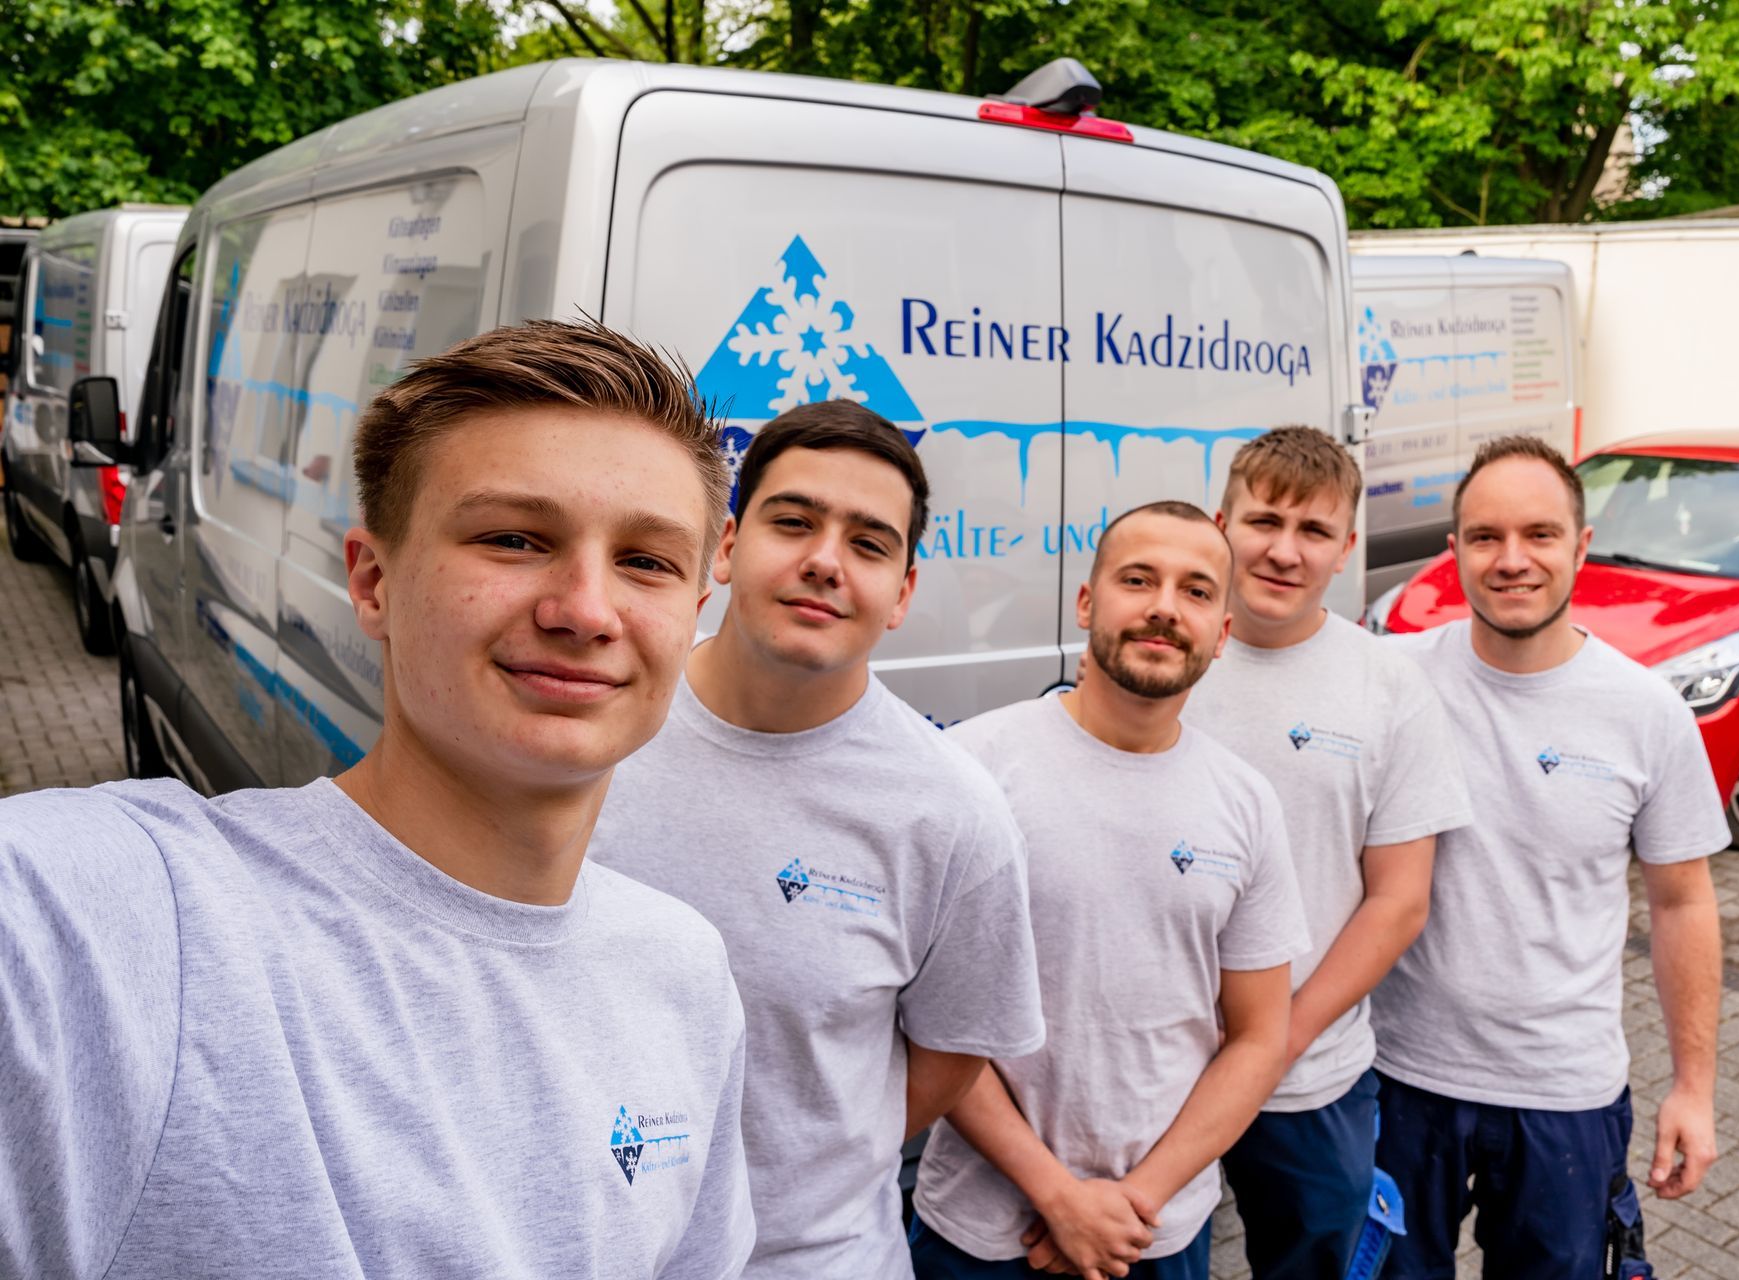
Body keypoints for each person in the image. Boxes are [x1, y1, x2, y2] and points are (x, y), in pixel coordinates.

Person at [0, 320, 755, 1278]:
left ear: (693, 612)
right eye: (513, 539)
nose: (586, 610)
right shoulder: (129, 922)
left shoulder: (685, 971)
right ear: (372, 582)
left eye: (647, 561)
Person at [587, 400, 1046, 1279]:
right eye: (793, 522)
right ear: (726, 546)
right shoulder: (597, 719)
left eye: (869, 544)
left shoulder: (954, 814)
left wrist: (812, 1162)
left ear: (902, 593)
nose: (826, 562)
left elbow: (954, 1051)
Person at [909, 500, 1311, 1280]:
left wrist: (1134, 1202)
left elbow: (1260, 1038)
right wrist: (1057, 1197)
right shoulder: (974, 768)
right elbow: (930, 1017)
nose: (1165, 607)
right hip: (980, 1232)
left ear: (1222, 633)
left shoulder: (1245, 803)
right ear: (1087, 601)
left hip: (1153, 1233)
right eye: (1138, 579)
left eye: (1197, 591)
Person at [1373, 434, 1727, 1278]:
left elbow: (1683, 903)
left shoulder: (1647, 712)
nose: (1512, 560)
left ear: (1581, 545)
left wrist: (1694, 1088)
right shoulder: (1389, 679)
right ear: (1453, 550)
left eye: (1539, 534)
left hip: (1563, 1094)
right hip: (1398, 1077)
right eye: (1485, 536)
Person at [1181, 427, 1471, 1279]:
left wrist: (1274, 1041)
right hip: (1154, 1069)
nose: (1284, 550)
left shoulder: (1389, 686)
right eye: (1263, 521)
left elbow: (1399, 900)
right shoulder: (1164, 657)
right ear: (1221, 524)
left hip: (1310, 1075)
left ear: (1346, 549)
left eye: (1314, 531)